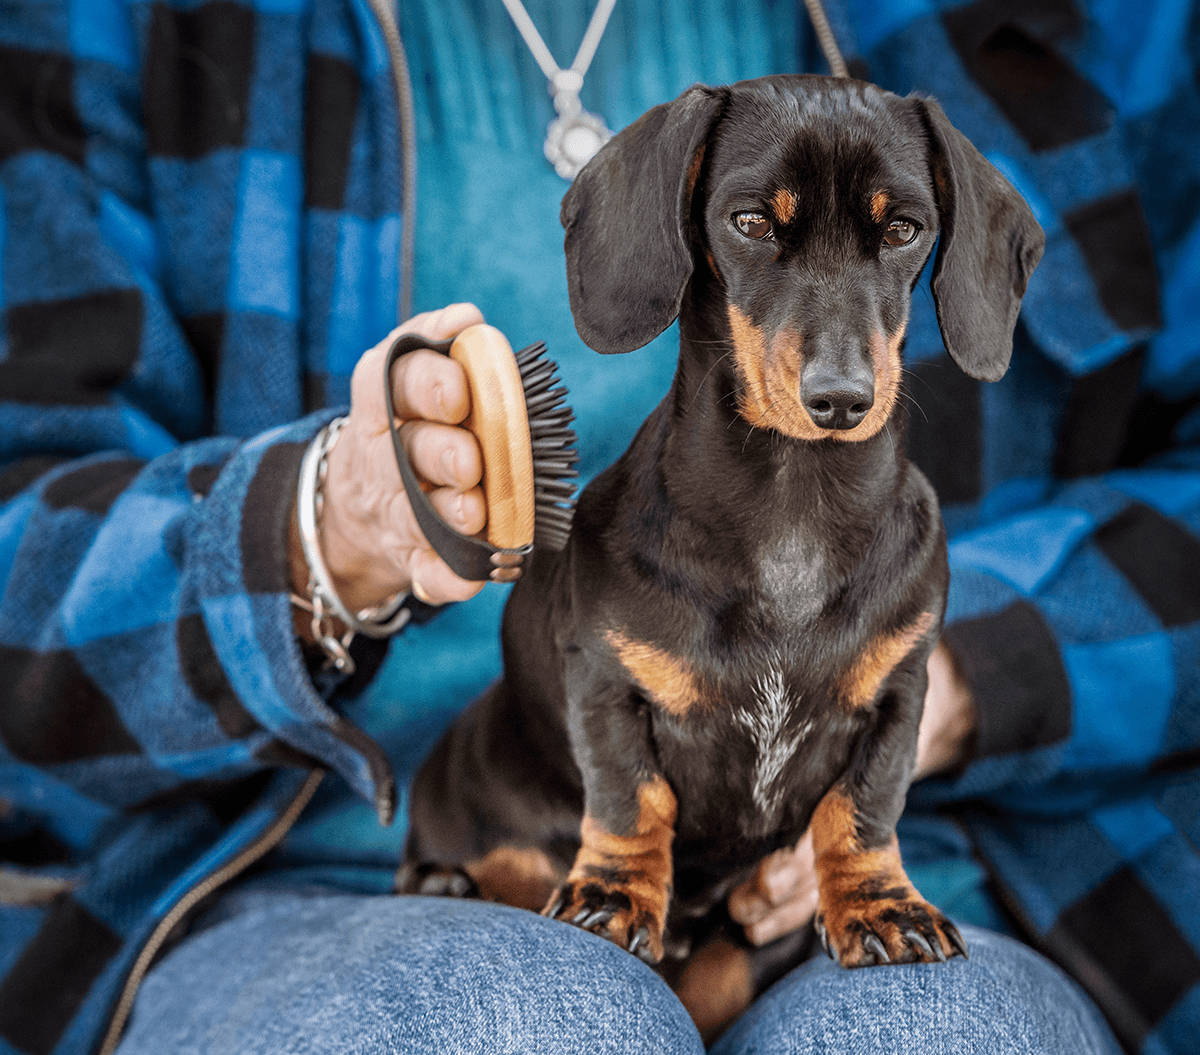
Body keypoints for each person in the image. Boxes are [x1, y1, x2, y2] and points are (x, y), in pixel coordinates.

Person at [0, 0, 1195, 1053]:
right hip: (325, 869)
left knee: (948, 1037)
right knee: (534, 1022)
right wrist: (317, 530)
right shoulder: (129, 20)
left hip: (886, 866)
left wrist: (936, 677)